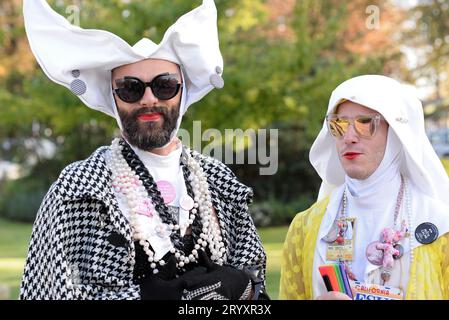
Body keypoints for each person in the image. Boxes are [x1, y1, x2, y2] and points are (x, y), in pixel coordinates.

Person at [20, 0, 267, 300]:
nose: (149, 99)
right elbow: (46, 293)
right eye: (131, 88)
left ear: (183, 92)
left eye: (164, 85)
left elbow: (256, 290)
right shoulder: (79, 188)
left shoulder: (218, 182)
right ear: (114, 98)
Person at [279, 75, 449, 300]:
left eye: (365, 123)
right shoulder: (306, 227)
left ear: (397, 133)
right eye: (338, 125)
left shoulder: (440, 225)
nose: (349, 137)